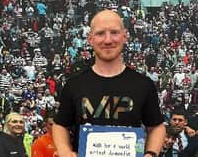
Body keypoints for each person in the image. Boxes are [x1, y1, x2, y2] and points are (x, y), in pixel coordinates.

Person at [53, 9, 166, 157]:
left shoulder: (143, 84)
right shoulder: (74, 84)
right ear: (90, 38)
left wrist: (151, 154)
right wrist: (64, 151)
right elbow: (60, 124)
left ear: (125, 36)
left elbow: (156, 126)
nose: (108, 40)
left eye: (114, 32)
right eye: (100, 33)